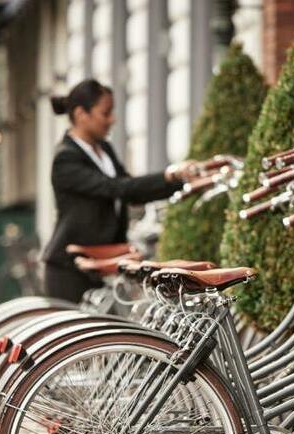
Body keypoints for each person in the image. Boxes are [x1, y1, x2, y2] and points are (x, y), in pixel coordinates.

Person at [41, 79, 198, 303]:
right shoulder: (66, 157)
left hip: (105, 262)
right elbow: (115, 188)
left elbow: (132, 193)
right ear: (80, 114)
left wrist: (184, 184)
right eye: (105, 113)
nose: (112, 120)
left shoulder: (104, 149)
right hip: (70, 269)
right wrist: (169, 174)